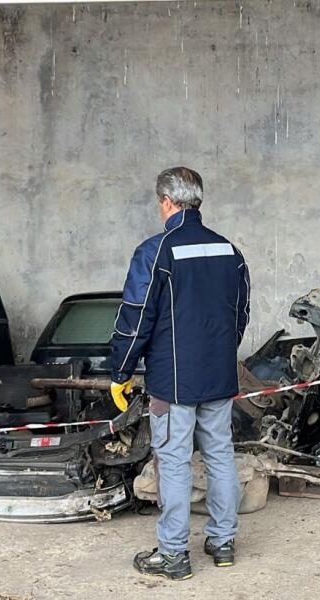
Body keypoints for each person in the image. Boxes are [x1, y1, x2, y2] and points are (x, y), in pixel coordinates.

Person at [108, 167, 251, 580]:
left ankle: (173, 555)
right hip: (219, 375)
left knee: (173, 461)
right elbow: (240, 314)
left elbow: (135, 319)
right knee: (221, 455)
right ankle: (223, 544)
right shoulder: (229, 251)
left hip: (173, 381)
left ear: (167, 202)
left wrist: (121, 370)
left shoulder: (156, 251)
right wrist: (222, 352)